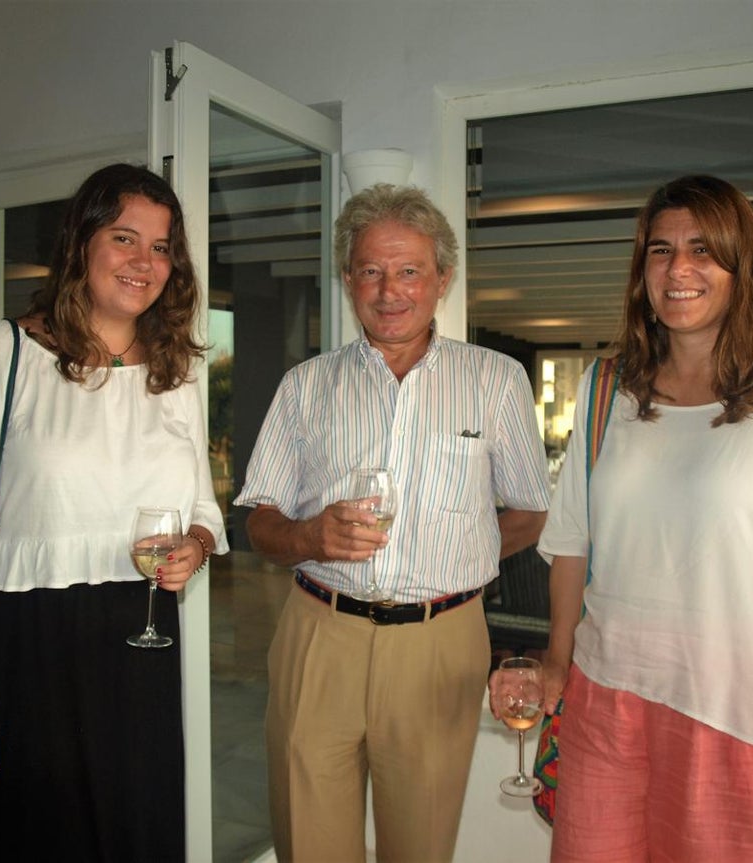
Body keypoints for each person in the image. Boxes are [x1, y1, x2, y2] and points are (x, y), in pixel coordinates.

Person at [505, 174, 753, 862]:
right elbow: (573, 544)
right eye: (661, 250)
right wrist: (557, 661)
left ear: (743, 267)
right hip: (603, 703)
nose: (678, 268)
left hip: (731, 715)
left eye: (704, 249)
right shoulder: (607, 388)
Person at [0, 163, 228, 862]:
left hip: (143, 640)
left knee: (138, 833)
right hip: (31, 646)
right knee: (38, 838)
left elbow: (202, 508)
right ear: (81, 243)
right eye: (124, 238)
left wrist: (195, 546)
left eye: (161, 247)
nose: (144, 262)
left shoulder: (176, 371)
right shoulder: (7, 352)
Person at [234, 182, 552, 862]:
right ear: (348, 280)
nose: (389, 291)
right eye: (371, 271)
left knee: (420, 846)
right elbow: (259, 520)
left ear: (442, 279)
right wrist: (307, 536)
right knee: (307, 842)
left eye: (409, 270)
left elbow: (531, 510)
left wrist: (459, 555)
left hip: (440, 643)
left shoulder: (495, 380)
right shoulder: (305, 385)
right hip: (319, 634)